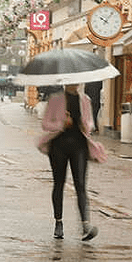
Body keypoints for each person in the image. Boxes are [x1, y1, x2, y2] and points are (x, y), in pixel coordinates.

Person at [37, 83, 105, 241]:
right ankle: (58, 223)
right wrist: (61, 124)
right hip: (58, 146)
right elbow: (46, 124)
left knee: (81, 185)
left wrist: (84, 124)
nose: (75, 84)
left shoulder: (85, 100)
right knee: (59, 183)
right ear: (66, 82)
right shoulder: (55, 100)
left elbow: (90, 124)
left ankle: (85, 225)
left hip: (79, 146)